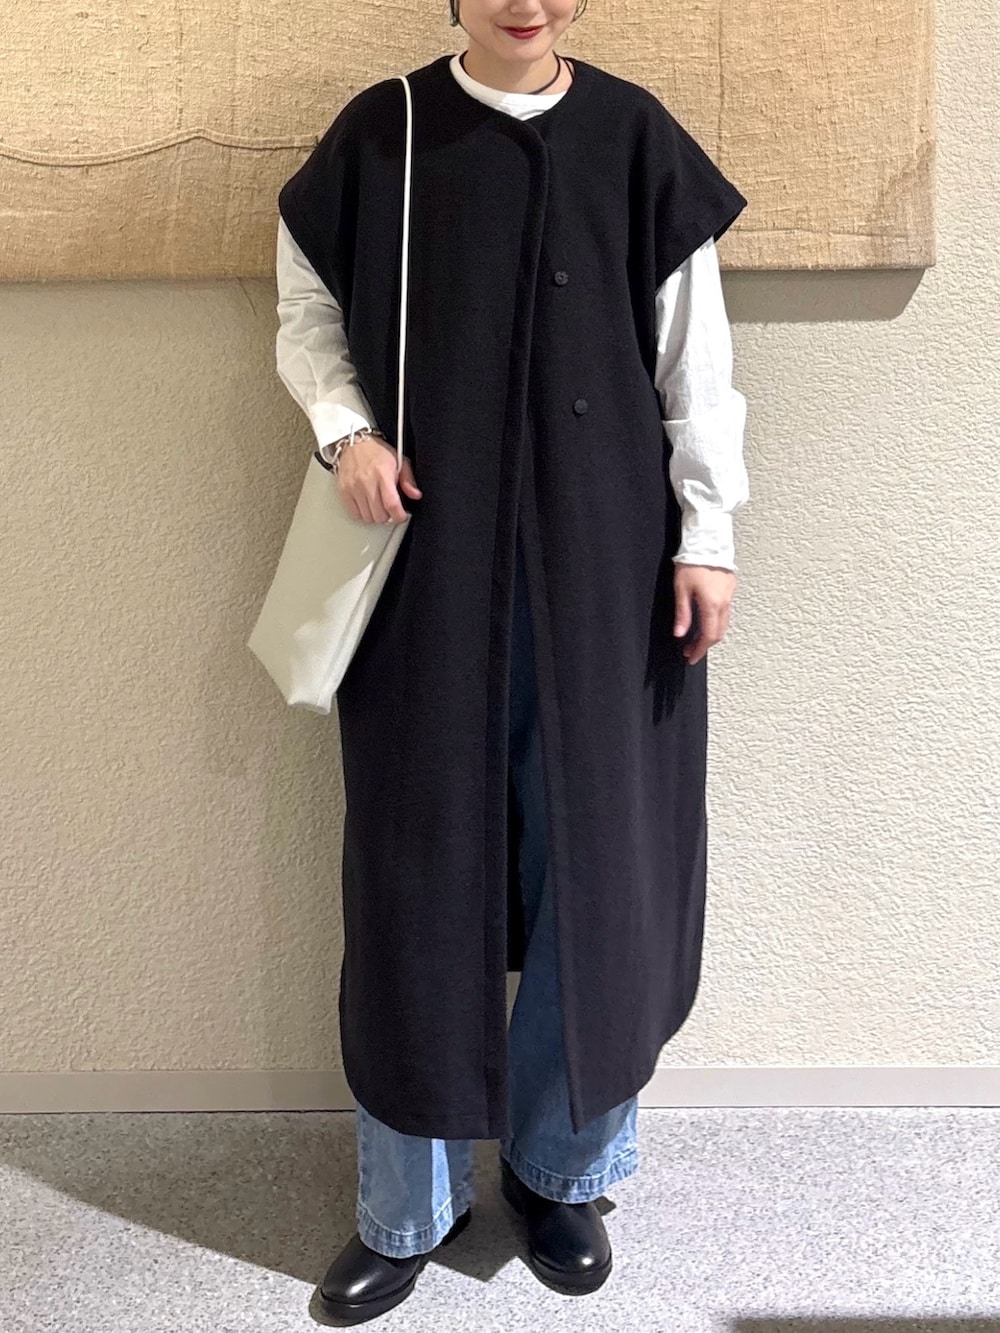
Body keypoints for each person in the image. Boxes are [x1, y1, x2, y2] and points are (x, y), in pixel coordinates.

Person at [273, 0, 749, 1321]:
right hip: (425, 568)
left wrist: (708, 535)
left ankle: (563, 1175)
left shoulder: (636, 138)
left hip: (611, 571)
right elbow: (306, 307)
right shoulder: (384, 134)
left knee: (599, 869)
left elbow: (696, 361)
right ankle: (405, 1209)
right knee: (415, 873)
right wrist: (345, 432)